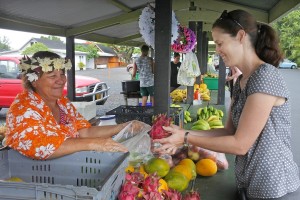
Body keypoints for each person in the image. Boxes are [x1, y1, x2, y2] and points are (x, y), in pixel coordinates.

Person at [154, 9, 300, 199]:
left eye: (220, 43)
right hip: (250, 181)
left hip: (274, 186)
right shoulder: (241, 82)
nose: (218, 50)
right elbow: (228, 131)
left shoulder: (265, 76)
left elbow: (240, 145)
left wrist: (186, 137)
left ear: (240, 36)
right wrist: (180, 134)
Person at [5, 51, 143, 160]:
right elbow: (41, 146)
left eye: (62, 74)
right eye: (52, 76)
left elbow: (84, 131)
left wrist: (123, 127)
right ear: (34, 81)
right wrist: (94, 143)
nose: (61, 80)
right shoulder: (23, 108)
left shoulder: (63, 103)